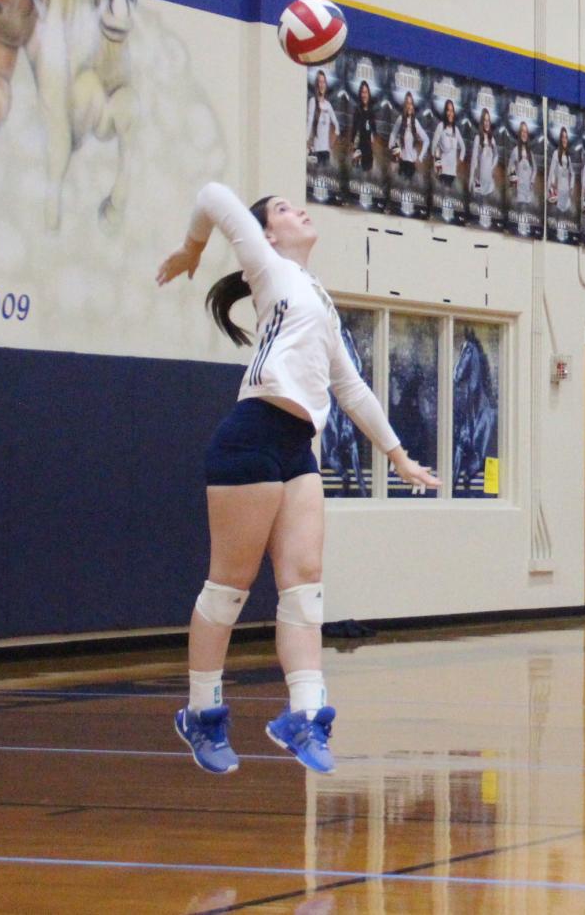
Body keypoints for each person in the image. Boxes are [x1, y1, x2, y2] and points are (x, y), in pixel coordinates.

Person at [157, 184, 437, 775]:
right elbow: (208, 194)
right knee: (229, 589)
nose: (296, 210)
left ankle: (304, 717)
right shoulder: (266, 266)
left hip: (296, 447)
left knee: (305, 586)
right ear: (268, 235)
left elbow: (351, 388)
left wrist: (399, 456)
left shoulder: (320, 299)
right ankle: (201, 714)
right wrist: (191, 251)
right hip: (252, 435)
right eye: (282, 209)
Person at [431, 98, 464, 221]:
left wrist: (459, 161)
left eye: (452, 110)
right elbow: (434, 145)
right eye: (448, 110)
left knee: (449, 198)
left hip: (452, 172)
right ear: (445, 112)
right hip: (442, 171)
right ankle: (438, 217)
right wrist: (436, 162)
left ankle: (447, 218)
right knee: (441, 197)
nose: (450, 113)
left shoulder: (456, 130)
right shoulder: (441, 127)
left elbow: (463, 148)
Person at [468, 107, 502, 229]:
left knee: (487, 209)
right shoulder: (478, 139)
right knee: (478, 210)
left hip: (489, 182)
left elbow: (497, 155)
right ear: (482, 123)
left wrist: (492, 167)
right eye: (485, 120)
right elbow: (473, 161)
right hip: (479, 181)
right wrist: (471, 180)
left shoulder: (492, 140)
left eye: (488, 120)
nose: (487, 123)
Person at [388, 91, 428, 183]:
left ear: (413, 106)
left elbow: (426, 140)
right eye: (407, 103)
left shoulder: (416, 122)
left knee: (408, 185)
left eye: (411, 103)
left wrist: (421, 157)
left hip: (412, 164)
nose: (409, 106)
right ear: (405, 105)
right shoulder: (400, 119)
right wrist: (393, 150)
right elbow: (393, 134)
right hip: (401, 161)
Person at [306, 72, 340, 171]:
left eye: (323, 82)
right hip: (316, 150)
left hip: (326, 151)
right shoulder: (313, 101)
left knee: (324, 178)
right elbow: (309, 122)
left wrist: (331, 143)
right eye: (319, 82)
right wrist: (306, 141)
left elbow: (337, 126)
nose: (322, 84)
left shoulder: (328, 105)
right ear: (316, 84)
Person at [546, 126, 577, 225]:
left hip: (566, 193)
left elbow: (573, 173)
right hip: (557, 193)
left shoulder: (568, 157)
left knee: (566, 219)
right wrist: (549, 190)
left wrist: (571, 187)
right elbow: (551, 172)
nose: (564, 139)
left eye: (566, 137)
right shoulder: (556, 153)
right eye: (563, 137)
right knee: (557, 219)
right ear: (560, 139)